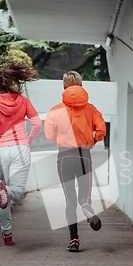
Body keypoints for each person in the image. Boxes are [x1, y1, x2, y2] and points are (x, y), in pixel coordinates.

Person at [0, 62, 42, 245]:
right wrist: (27, 141)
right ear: (12, 81)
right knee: (17, 192)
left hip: (0, 149)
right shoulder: (23, 101)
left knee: (2, 192)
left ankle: (7, 235)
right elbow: (37, 124)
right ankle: (7, 191)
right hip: (20, 149)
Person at [44, 71, 107, 252]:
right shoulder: (91, 109)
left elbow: (49, 135)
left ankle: (74, 241)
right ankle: (86, 205)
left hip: (64, 156)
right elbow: (101, 130)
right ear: (81, 84)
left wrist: (61, 136)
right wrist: (92, 140)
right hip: (84, 155)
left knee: (69, 201)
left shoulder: (56, 110)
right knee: (83, 195)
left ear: (64, 86)